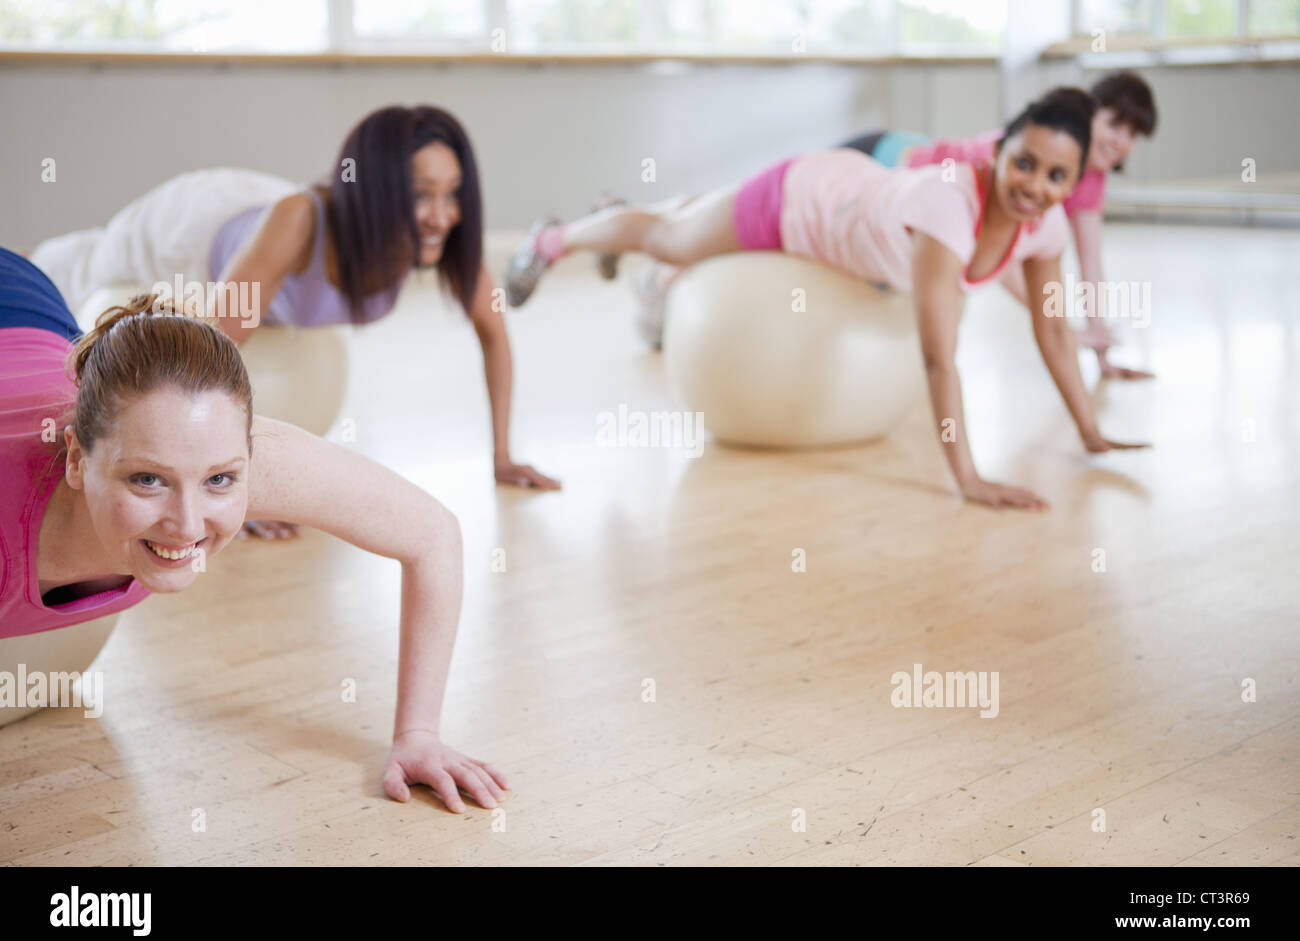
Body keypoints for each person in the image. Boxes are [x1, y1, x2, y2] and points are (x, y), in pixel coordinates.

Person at [0, 247, 506, 813]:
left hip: (30, 322)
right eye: (147, 480)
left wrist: (418, 734)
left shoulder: (217, 446)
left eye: (219, 480)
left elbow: (433, 534)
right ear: (75, 460)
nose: (188, 525)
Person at [504, 88, 1149, 510]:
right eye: (1024, 162)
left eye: (1056, 175)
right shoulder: (950, 203)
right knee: (671, 238)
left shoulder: (1047, 227)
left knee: (677, 222)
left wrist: (1092, 433)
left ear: (1074, 184)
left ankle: (615, 216)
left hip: (856, 199)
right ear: (999, 150)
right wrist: (969, 480)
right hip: (804, 202)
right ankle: (552, 240)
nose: (1035, 185)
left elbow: (1054, 332)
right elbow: (937, 360)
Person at [28, 104, 559, 544]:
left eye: (452, 194)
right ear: (377, 190)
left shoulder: (441, 242)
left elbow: (493, 335)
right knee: (77, 266)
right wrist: (235, 492)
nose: (442, 215)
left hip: (257, 225)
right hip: (186, 232)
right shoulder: (298, 222)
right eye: (421, 194)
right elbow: (208, 361)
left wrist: (502, 458)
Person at [841, 71, 1159, 379]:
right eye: (1114, 125)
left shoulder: (1091, 179)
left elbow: (1090, 262)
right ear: (1089, 116)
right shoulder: (1017, 155)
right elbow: (999, 261)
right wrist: (1063, 329)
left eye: (1132, 134)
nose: (1121, 141)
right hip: (883, 158)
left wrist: (1101, 352)